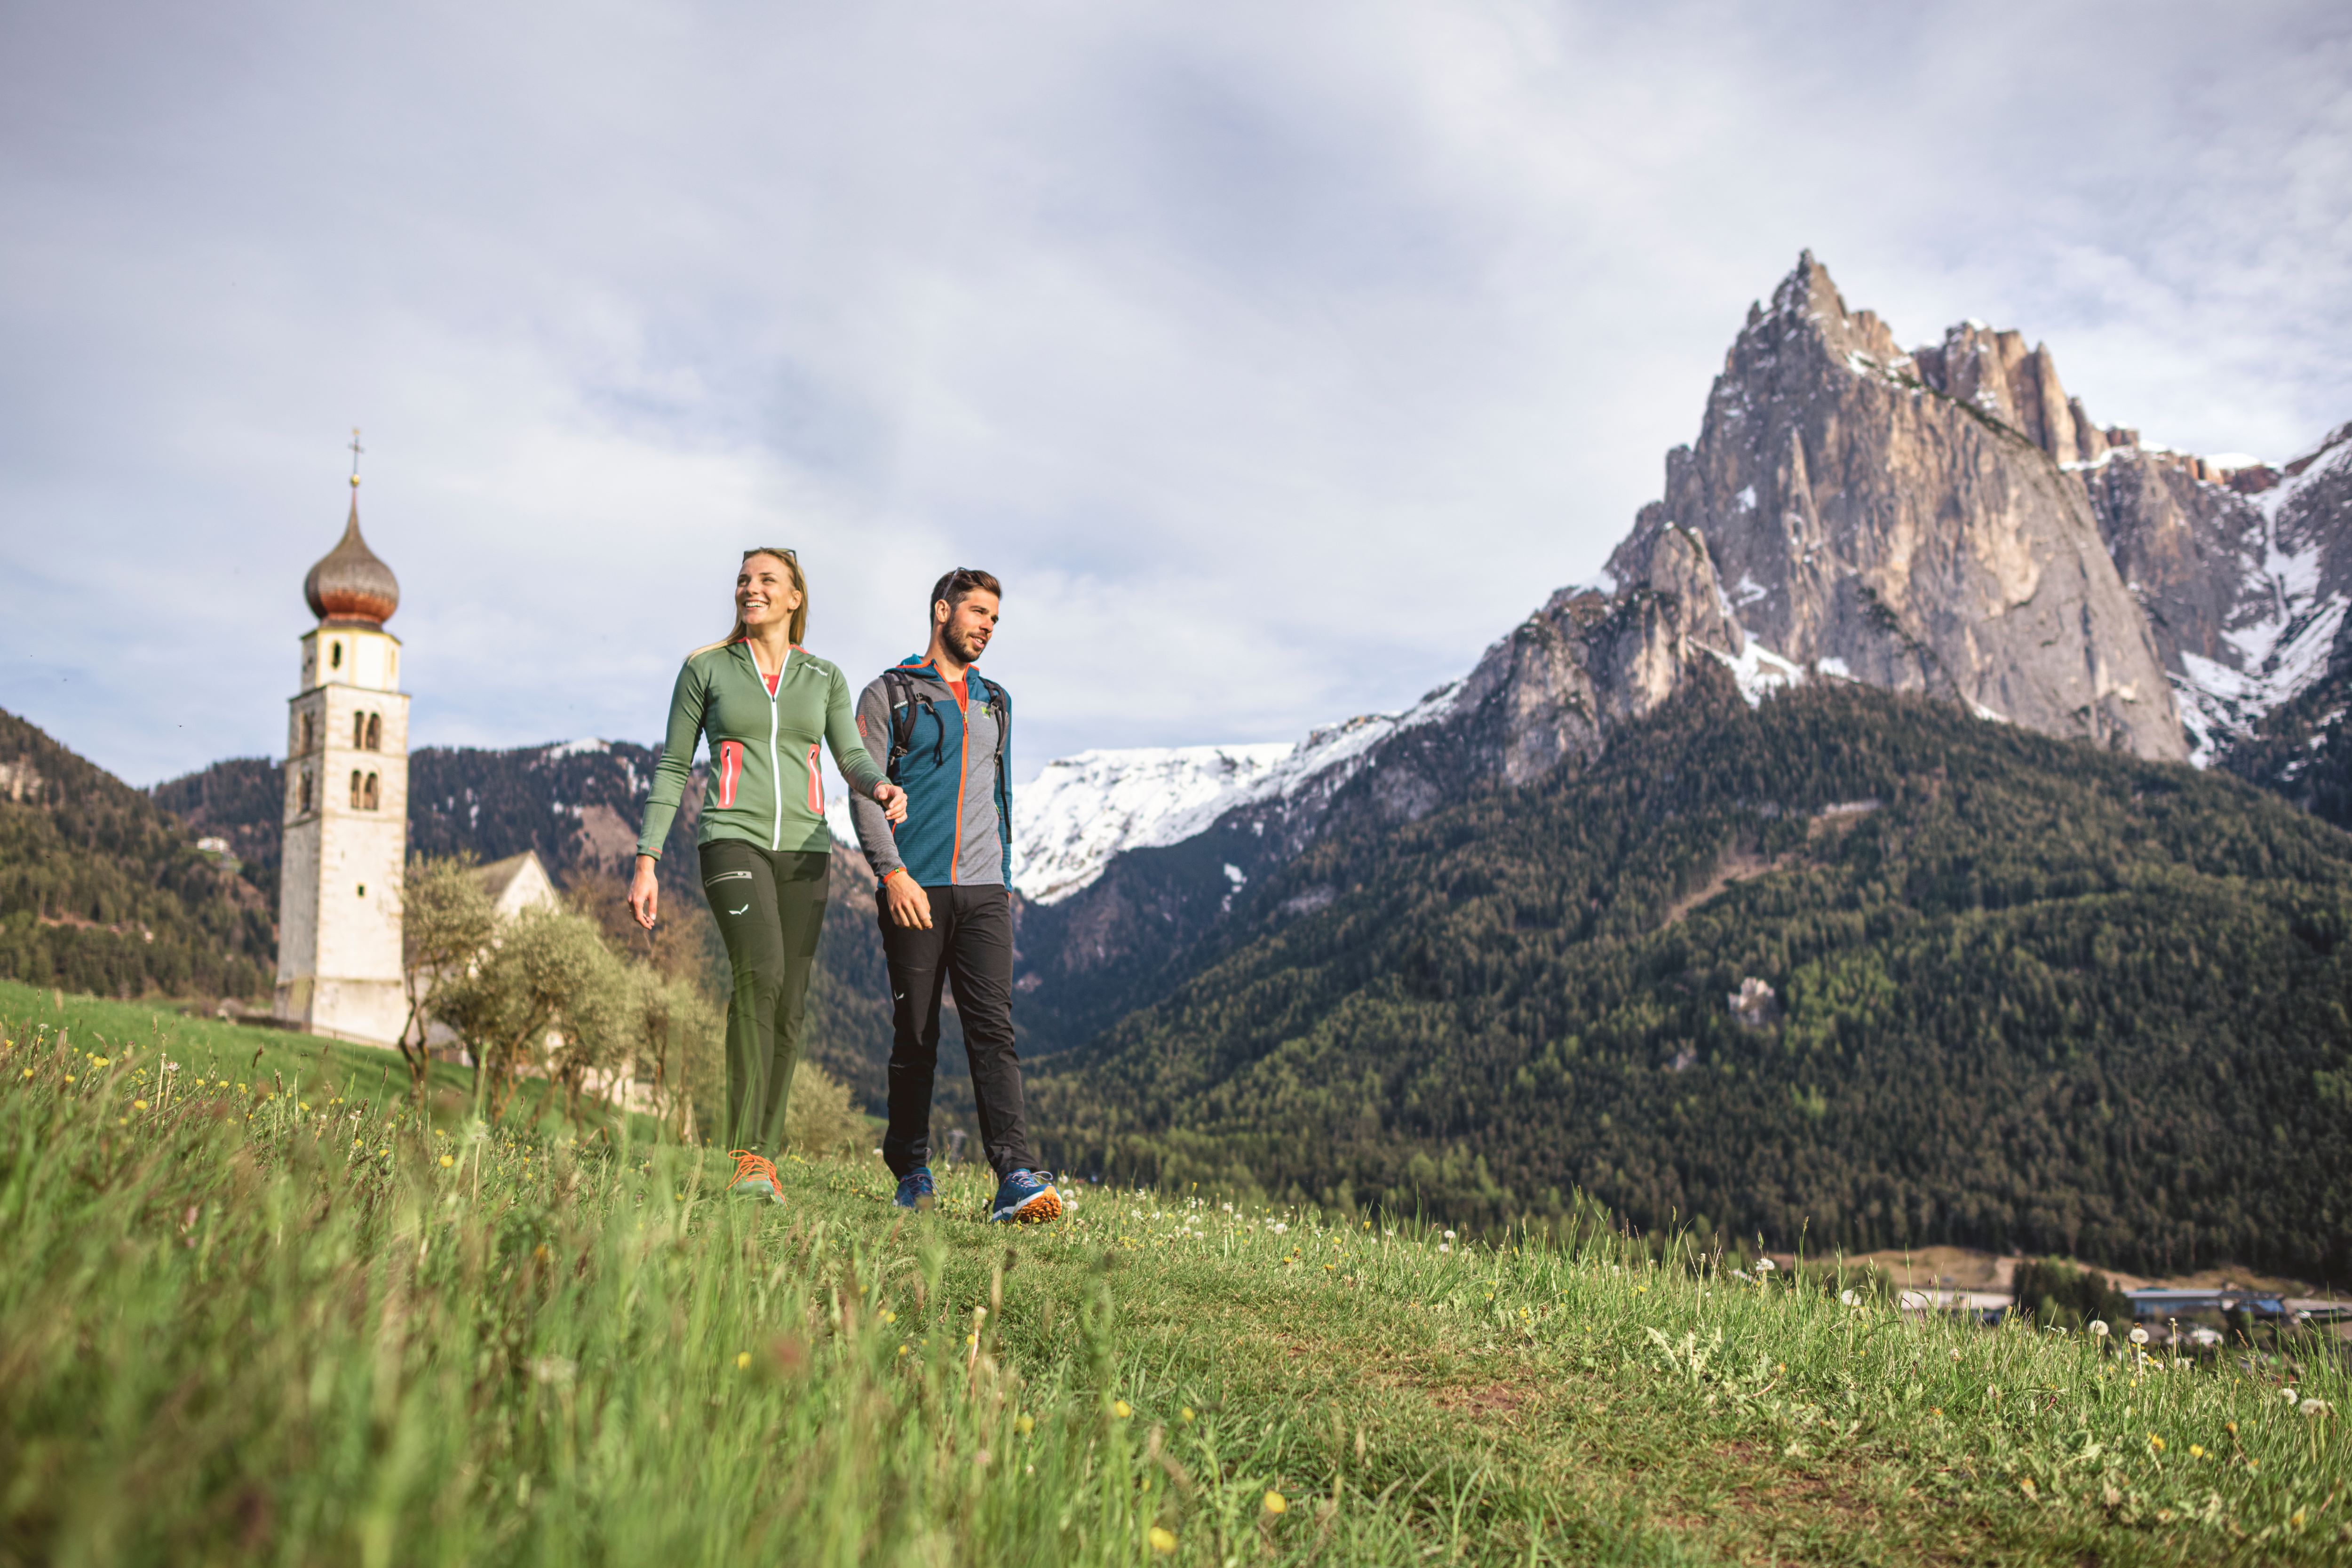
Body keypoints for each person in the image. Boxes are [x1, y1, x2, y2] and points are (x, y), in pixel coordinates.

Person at [629, 548, 906, 1203]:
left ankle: (765, 1157)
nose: (749, 588)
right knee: (763, 974)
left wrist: (879, 783)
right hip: (731, 840)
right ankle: (744, 1155)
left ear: (793, 599)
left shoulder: (824, 678)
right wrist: (647, 858)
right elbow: (673, 764)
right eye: (744, 580)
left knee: (792, 1003)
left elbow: (850, 756)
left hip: (807, 852)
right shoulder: (707, 669)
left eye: (765, 580)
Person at [849, 568, 1059, 1224]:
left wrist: (1004, 874)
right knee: (916, 1033)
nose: (987, 627)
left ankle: (1015, 1174)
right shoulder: (891, 693)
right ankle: (911, 1166)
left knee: (993, 1028)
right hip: (914, 886)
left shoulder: (997, 700)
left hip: (985, 890)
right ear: (942, 611)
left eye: (995, 619)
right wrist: (891, 874)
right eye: (977, 613)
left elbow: (1001, 793)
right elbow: (864, 792)